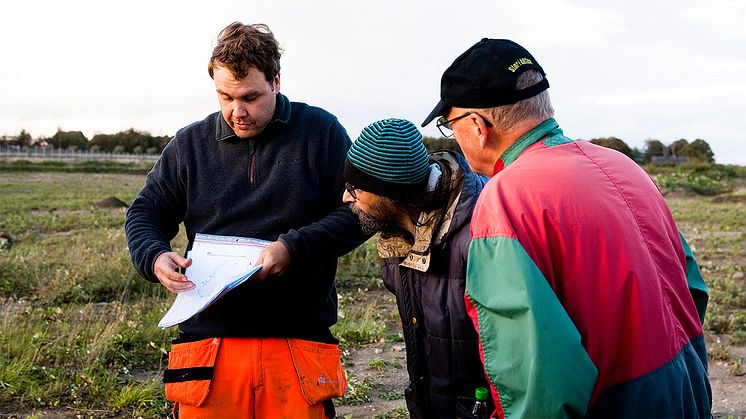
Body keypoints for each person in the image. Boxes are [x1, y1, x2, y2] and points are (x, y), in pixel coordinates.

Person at [421, 38, 712, 418]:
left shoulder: (507, 197)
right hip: (687, 389)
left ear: (478, 125)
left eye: (450, 125)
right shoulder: (625, 167)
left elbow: (533, 370)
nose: (455, 138)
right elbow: (692, 289)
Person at [125, 22, 367, 418]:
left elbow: (360, 214)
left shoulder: (321, 133)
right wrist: (153, 256)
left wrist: (294, 248)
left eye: (250, 97)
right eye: (225, 96)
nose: (237, 112)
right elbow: (145, 212)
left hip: (296, 344)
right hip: (208, 349)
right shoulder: (189, 144)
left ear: (275, 81)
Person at [342, 118, 493, 418]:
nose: (346, 197)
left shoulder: (482, 230)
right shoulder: (396, 241)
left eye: (354, 188)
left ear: (391, 192)